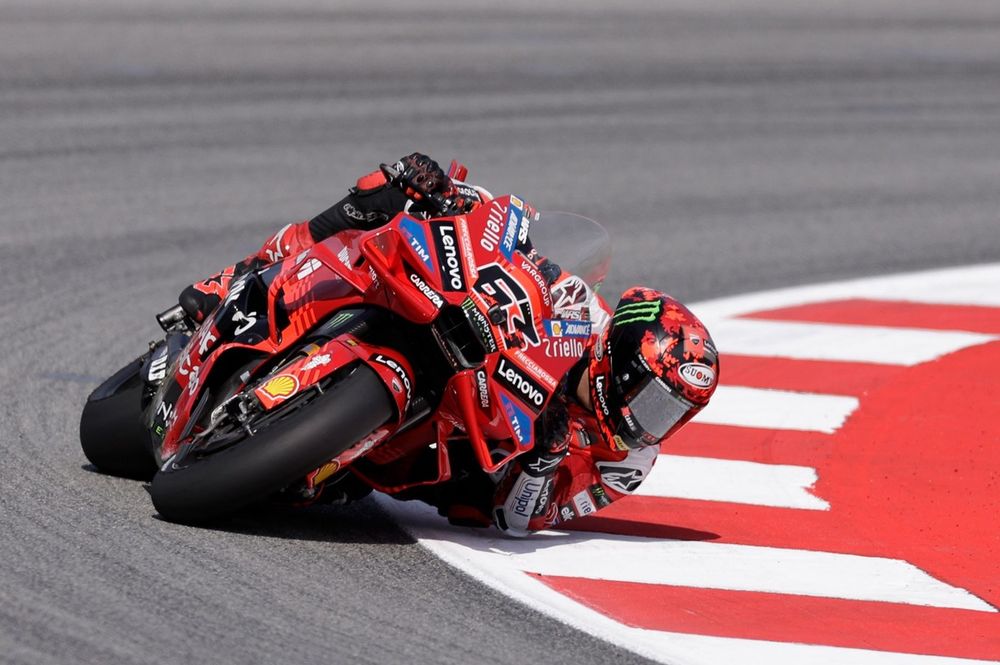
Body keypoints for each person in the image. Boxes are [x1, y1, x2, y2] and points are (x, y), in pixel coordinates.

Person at [178, 153, 720, 536]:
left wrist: (544, 459)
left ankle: (320, 448)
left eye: (672, 413)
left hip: (454, 465)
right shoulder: (586, 314)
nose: (652, 421)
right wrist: (452, 195)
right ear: (621, 359)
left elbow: (523, 521)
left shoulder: (629, 463)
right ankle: (237, 277)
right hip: (462, 351)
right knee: (381, 198)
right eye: (653, 398)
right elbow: (518, 245)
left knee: (313, 498)